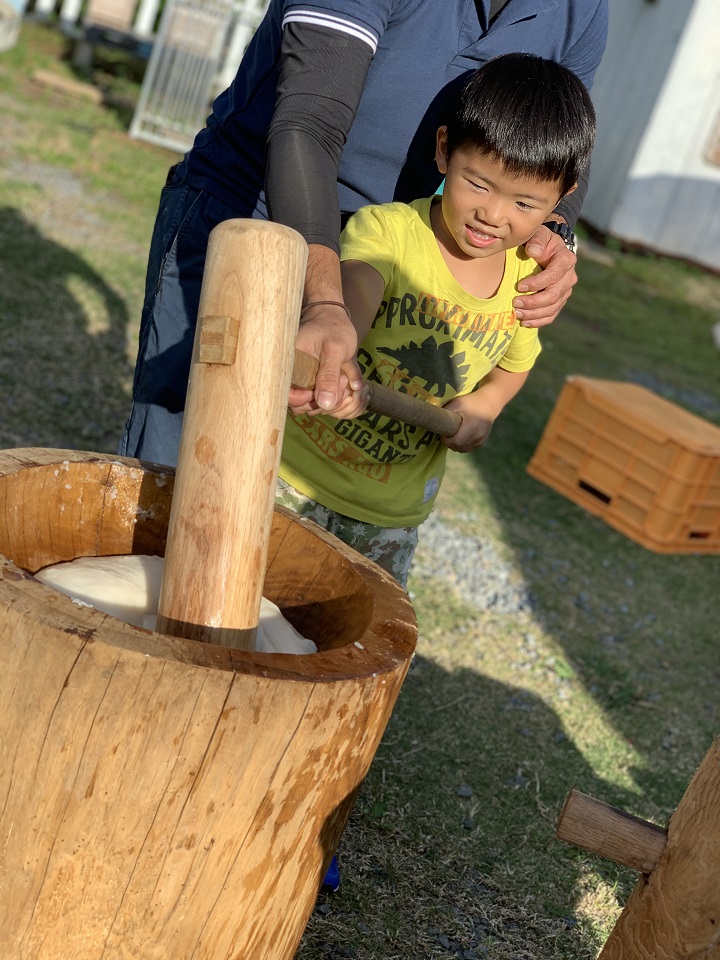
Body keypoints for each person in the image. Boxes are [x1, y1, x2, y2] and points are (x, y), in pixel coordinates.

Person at [119, 0, 608, 468]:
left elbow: (566, 139)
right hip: (255, 214)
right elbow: (308, 126)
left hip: (395, 251)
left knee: (299, 468)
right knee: (182, 453)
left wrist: (557, 234)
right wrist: (327, 304)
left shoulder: (582, 8)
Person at [275, 52, 596, 589]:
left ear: (560, 199)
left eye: (525, 201)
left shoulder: (528, 278)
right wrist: (341, 349)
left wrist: (486, 405)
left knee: (350, 647)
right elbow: (357, 285)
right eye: (478, 183)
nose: (493, 215)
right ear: (445, 152)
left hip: (391, 516)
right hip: (291, 480)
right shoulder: (390, 231)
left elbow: (515, 365)